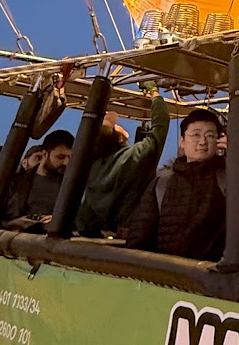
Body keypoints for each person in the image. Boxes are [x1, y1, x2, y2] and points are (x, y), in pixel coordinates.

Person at [125, 107, 229, 260]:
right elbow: (140, 234)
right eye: (196, 135)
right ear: (182, 142)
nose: (202, 142)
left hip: (211, 273)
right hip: (166, 271)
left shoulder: (230, 180)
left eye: (210, 136)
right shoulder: (162, 182)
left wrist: (238, 159)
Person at [74, 93, 170, 238]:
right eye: (115, 126)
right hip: (129, 235)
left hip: (98, 237)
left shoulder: (94, 166)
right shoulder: (135, 156)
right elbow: (160, 125)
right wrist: (155, 96)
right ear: (118, 137)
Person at [4, 129, 74, 227]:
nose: (66, 162)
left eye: (69, 158)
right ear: (45, 154)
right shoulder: (15, 183)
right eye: (60, 157)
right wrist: (13, 223)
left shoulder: (73, 187)